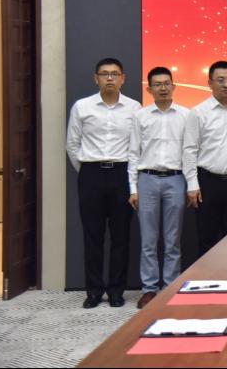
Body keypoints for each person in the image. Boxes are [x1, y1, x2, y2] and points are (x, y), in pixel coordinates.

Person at [66, 57, 141, 308]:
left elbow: (136, 147)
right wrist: (88, 170)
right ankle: (94, 291)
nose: (110, 78)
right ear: (95, 78)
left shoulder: (134, 108)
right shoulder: (82, 107)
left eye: (115, 74)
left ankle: (117, 290)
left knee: (121, 237)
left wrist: (130, 179)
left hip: (122, 174)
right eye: (104, 74)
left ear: (123, 78)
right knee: (92, 236)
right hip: (91, 175)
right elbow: (72, 145)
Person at [127, 67, 190, 309]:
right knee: (148, 240)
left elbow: (190, 152)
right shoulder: (141, 116)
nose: (163, 88)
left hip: (176, 179)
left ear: (174, 86)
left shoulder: (186, 115)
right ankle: (149, 289)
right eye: (157, 84)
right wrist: (133, 188)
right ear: (149, 89)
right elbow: (133, 153)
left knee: (173, 239)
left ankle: (170, 288)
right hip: (147, 179)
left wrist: (191, 184)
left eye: (166, 83)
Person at [183, 60, 227, 256]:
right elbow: (189, 150)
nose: (226, 84)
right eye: (220, 80)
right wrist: (192, 184)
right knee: (207, 237)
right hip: (208, 182)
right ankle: (208, 276)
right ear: (210, 83)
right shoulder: (198, 112)